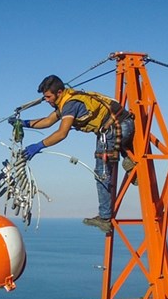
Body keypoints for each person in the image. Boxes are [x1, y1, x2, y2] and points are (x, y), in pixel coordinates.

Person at [10, 75, 135, 233]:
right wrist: (24, 123)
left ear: (59, 92)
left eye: (48, 97)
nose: (46, 100)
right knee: (111, 147)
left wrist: (39, 146)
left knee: (101, 173)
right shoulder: (67, 99)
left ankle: (105, 218)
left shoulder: (70, 105)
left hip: (115, 129)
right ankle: (130, 164)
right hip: (123, 125)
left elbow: (62, 133)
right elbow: (48, 121)